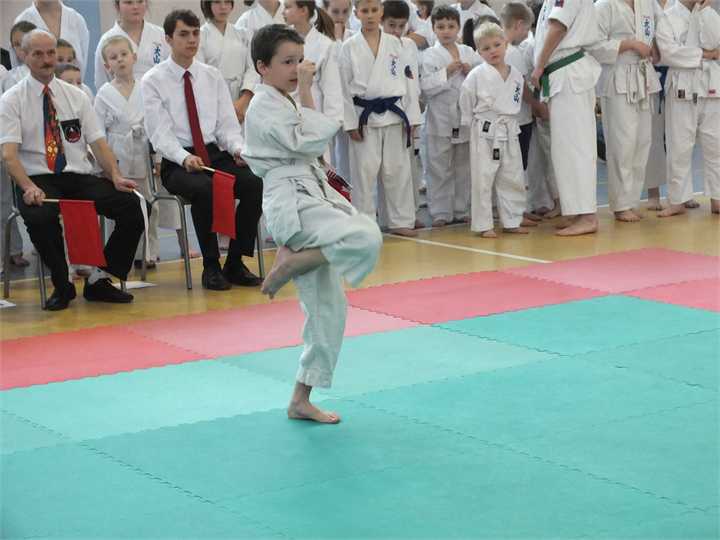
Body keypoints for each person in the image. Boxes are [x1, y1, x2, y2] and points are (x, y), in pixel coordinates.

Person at [243, 24, 382, 424]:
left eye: (300, 61)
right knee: (366, 236)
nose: (296, 69)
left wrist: (303, 94)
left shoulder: (283, 101)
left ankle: (300, 399)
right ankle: (294, 260)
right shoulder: (262, 105)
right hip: (293, 200)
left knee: (328, 310)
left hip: (312, 193)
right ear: (262, 67)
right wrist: (307, 89)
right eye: (287, 62)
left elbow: (310, 139)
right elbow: (308, 141)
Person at [0, 30, 145, 311]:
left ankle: (100, 278)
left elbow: (98, 143)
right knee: (40, 218)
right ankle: (62, 284)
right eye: (38, 54)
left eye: (50, 53)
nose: (46, 59)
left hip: (77, 175)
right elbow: (9, 155)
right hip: (36, 178)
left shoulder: (76, 96)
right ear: (24, 56)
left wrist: (115, 175)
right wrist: (28, 186)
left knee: (134, 206)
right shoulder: (11, 100)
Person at [142, 10, 264, 290]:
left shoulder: (211, 76)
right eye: (183, 34)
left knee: (253, 183)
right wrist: (184, 157)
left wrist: (238, 149)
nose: (192, 40)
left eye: (195, 33)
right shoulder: (153, 80)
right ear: (168, 39)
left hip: (213, 154)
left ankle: (235, 262)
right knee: (204, 189)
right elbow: (159, 134)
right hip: (176, 160)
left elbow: (226, 127)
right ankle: (211, 266)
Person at [339, 0, 422, 237]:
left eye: (374, 10)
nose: (370, 15)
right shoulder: (349, 46)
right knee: (363, 173)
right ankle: (364, 224)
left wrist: (412, 116)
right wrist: (350, 123)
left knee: (397, 170)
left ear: (381, 12)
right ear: (356, 13)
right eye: (364, 11)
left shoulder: (396, 43)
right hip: (363, 117)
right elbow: (343, 88)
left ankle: (400, 220)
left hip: (395, 113)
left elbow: (409, 81)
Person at [530, 0, 602, 236]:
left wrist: (539, 66)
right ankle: (578, 212)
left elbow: (558, 27)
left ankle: (588, 216)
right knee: (565, 150)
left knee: (576, 148)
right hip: (563, 75)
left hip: (570, 76)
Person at [591, 0, 662, 222]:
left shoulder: (646, 4)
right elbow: (593, 46)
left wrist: (656, 47)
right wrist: (628, 44)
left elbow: (660, 27)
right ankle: (620, 204)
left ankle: (631, 201)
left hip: (643, 75)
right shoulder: (604, 6)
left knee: (642, 141)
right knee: (622, 143)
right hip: (618, 77)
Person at [95, 36, 161, 268]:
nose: (120, 60)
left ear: (134, 57)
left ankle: (148, 252)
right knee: (122, 206)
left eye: (124, 54)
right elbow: (97, 132)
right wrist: (105, 166)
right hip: (117, 155)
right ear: (107, 65)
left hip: (143, 152)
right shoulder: (104, 93)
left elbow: (156, 124)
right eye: (113, 57)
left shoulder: (147, 86)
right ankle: (123, 253)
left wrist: (158, 157)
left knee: (149, 204)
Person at [461, 21, 528, 237]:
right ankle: (484, 225)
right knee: (483, 178)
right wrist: (469, 124)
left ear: (505, 44)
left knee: (512, 176)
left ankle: (512, 220)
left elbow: (516, 102)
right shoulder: (476, 75)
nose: (493, 51)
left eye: (497, 45)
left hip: (509, 130)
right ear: (478, 52)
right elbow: (466, 101)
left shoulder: (516, 75)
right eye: (486, 48)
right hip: (484, 131)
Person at [655, 0, 720, 216]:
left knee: (716, 144)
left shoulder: (709, 14)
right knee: (679, 145)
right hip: (681, 84)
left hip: (710, 85)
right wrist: (705, 55)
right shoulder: (667, 16)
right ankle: (677, 200)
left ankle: (718, 198)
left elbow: (715, 42)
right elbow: (668, 53)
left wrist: (705, 12)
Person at [421, 5, 482, 227]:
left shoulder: (469, 52)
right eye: (441, 27)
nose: (446, 31)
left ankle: (461, 208)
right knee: (439, 166)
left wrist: (469, 71)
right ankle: (440, 211)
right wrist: (445, 72)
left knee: (463, 166)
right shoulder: (429, 55)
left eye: (450, 26)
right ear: (433, 29)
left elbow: (482, 77)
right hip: (440, 119)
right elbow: (425, 88)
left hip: (464, 117)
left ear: (458, 27)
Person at [283, 0, 344, 131]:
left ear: (303, 10)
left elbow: (332, 90)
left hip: (316, 117)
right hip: (286, 117)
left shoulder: (325, 45)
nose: (283, 12)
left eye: (288, 7)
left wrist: (332, 125)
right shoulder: (281, 42)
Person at [94, 0, 170, 92]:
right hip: (122, 97)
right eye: (128, 2)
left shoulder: (160, 34)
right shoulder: (106, 40)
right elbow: (101, 82)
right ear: (118, 6)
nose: (135, 7)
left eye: (140, 1)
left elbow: (171, 72)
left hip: (159, 96)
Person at [14, 0, 90, 80]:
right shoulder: (22, 21)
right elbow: (17, 68)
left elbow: (82, 67)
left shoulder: (77, 20)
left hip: (72, 86)